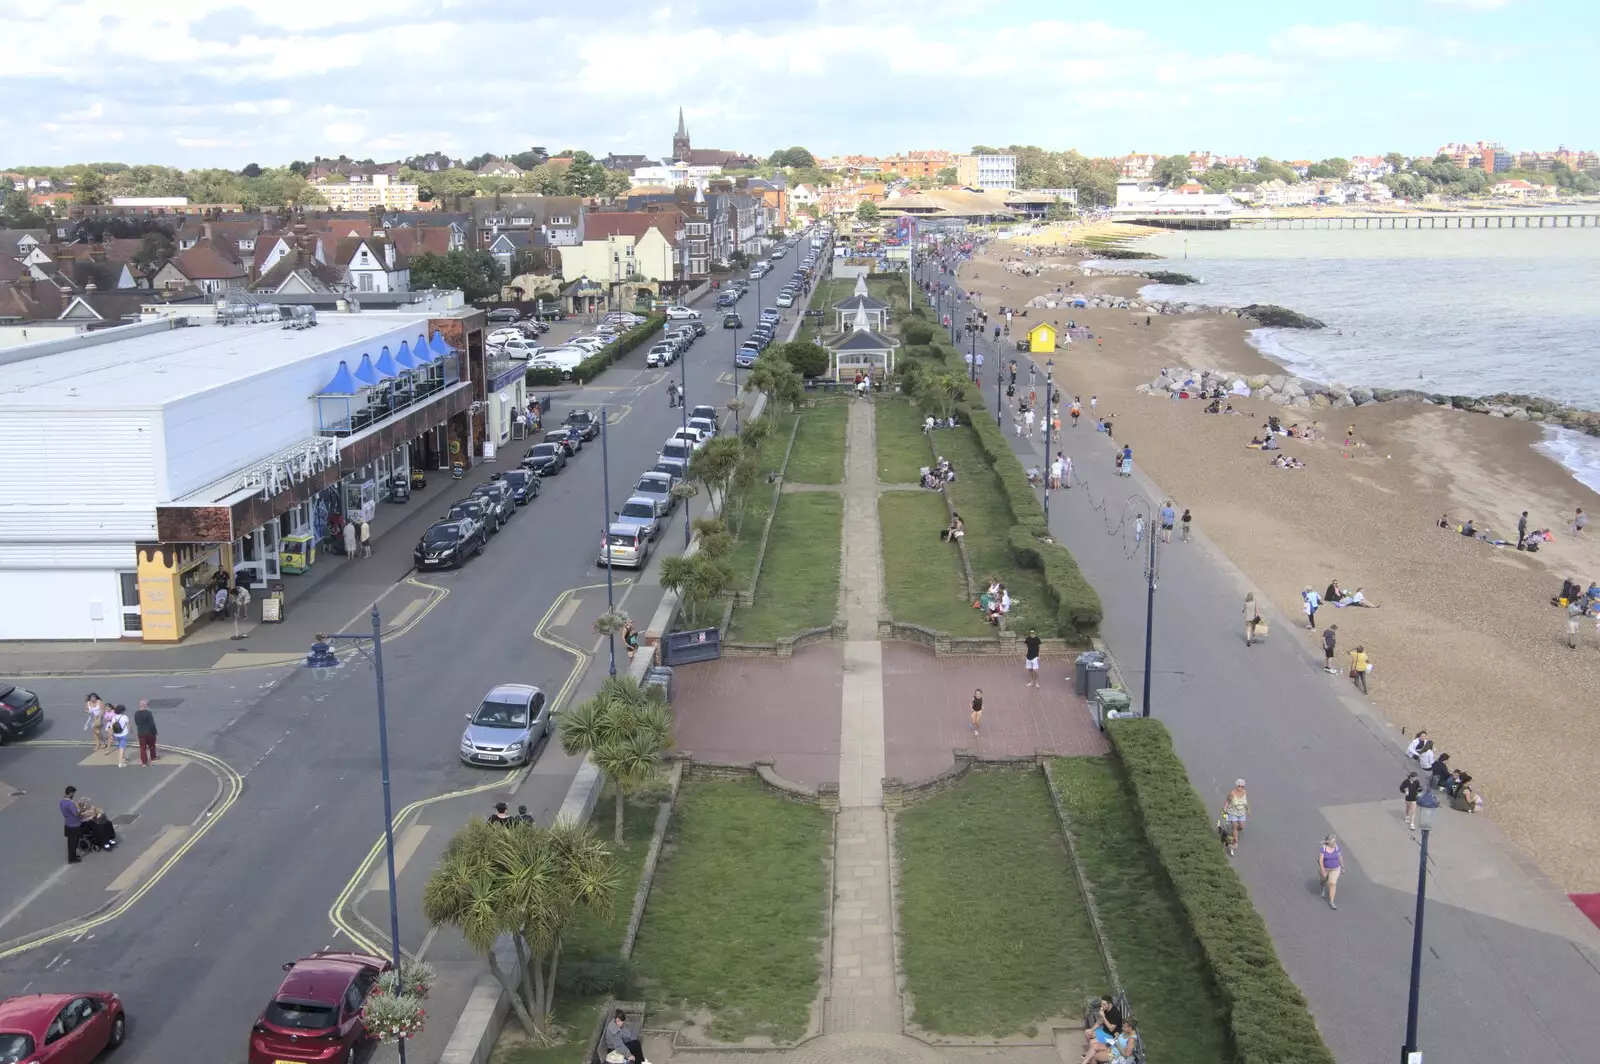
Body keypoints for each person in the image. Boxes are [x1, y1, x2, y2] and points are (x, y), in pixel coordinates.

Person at [1221, 780, 1250, 856]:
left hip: (1241, 813)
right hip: (1232, 812)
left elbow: (1245, 802)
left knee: (1241, 826)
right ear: (1237, 785)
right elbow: (1227, 801)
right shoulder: (1232, 793)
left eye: (1242, 786)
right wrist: (1224, 809)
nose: (1240, 787)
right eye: (1239, 786)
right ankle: (1235, 842)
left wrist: (1248, 809)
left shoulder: (1244, 792)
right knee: (1235, 827)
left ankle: (1234, 832)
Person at [1318, 834, 1343, 909]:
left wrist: (1342, 867)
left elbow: (1340, 857)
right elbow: (1321, 860)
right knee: (1323, 879)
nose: (1335, 842)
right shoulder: (1324, 848)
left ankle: (1331, 902)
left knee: (1332, 883)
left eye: (1335, 841)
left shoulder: (1337, 847)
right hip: (1325, 868)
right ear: (1328, 842)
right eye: (1333, 841)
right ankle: (1322, 887)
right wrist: (1323, 870)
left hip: (1335, 868)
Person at [61, 786, 84, 865]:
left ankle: (73, 856)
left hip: (67, 824)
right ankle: (72, 858)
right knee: (73, 843)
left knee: (70, 842)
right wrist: (81, 809)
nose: (74, 794)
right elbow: (77, 814)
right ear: (70, 793)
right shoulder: (70, 804)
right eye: (73, 793)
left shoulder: (62, 801)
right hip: (74, 825)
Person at [134, 699, 159, 766]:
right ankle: (153, 757)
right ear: (146, 705)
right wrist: (155, 732)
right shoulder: (148, 713)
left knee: (142, 748)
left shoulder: (136, 713)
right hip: (149, 732)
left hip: (141, 733)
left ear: (140, 705)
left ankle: (144, 762)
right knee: (152, 746)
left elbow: (136, 722)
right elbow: (152, 724)